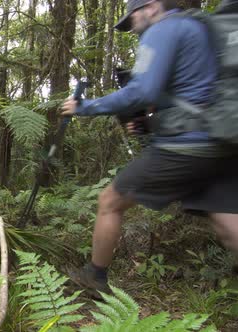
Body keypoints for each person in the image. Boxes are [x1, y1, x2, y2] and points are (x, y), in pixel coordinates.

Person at [60, 0, 238, 297]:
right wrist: (150, 123)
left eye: (132, 18)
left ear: (152, 6)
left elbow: (142, 91)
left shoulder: (163, 29)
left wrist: (85, 106)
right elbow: (194, 93)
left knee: (110, 201)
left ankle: (94, 277)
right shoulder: (200, 27)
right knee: (228, 221)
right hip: (220, 140)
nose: (132, 27)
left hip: (185, 147)